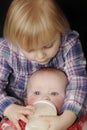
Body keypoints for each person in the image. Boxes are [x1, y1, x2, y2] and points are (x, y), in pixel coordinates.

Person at [0, 0, 87, 130]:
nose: (41, 56)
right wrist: (8, 108)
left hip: (63, 109)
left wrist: (66, 118)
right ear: (16, 41)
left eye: (48, 46)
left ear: (60, 30)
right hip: (23, 111)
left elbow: (78, 82)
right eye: (30, 50)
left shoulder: (69, 44)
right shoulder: (7, 50)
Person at [0, 68, 68, 130]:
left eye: (53, 93)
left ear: (66, 101)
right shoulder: (22, 118)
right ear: (26, 101)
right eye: (37, 93)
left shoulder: (67, 121)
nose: (45, 98)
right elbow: (7, 124)